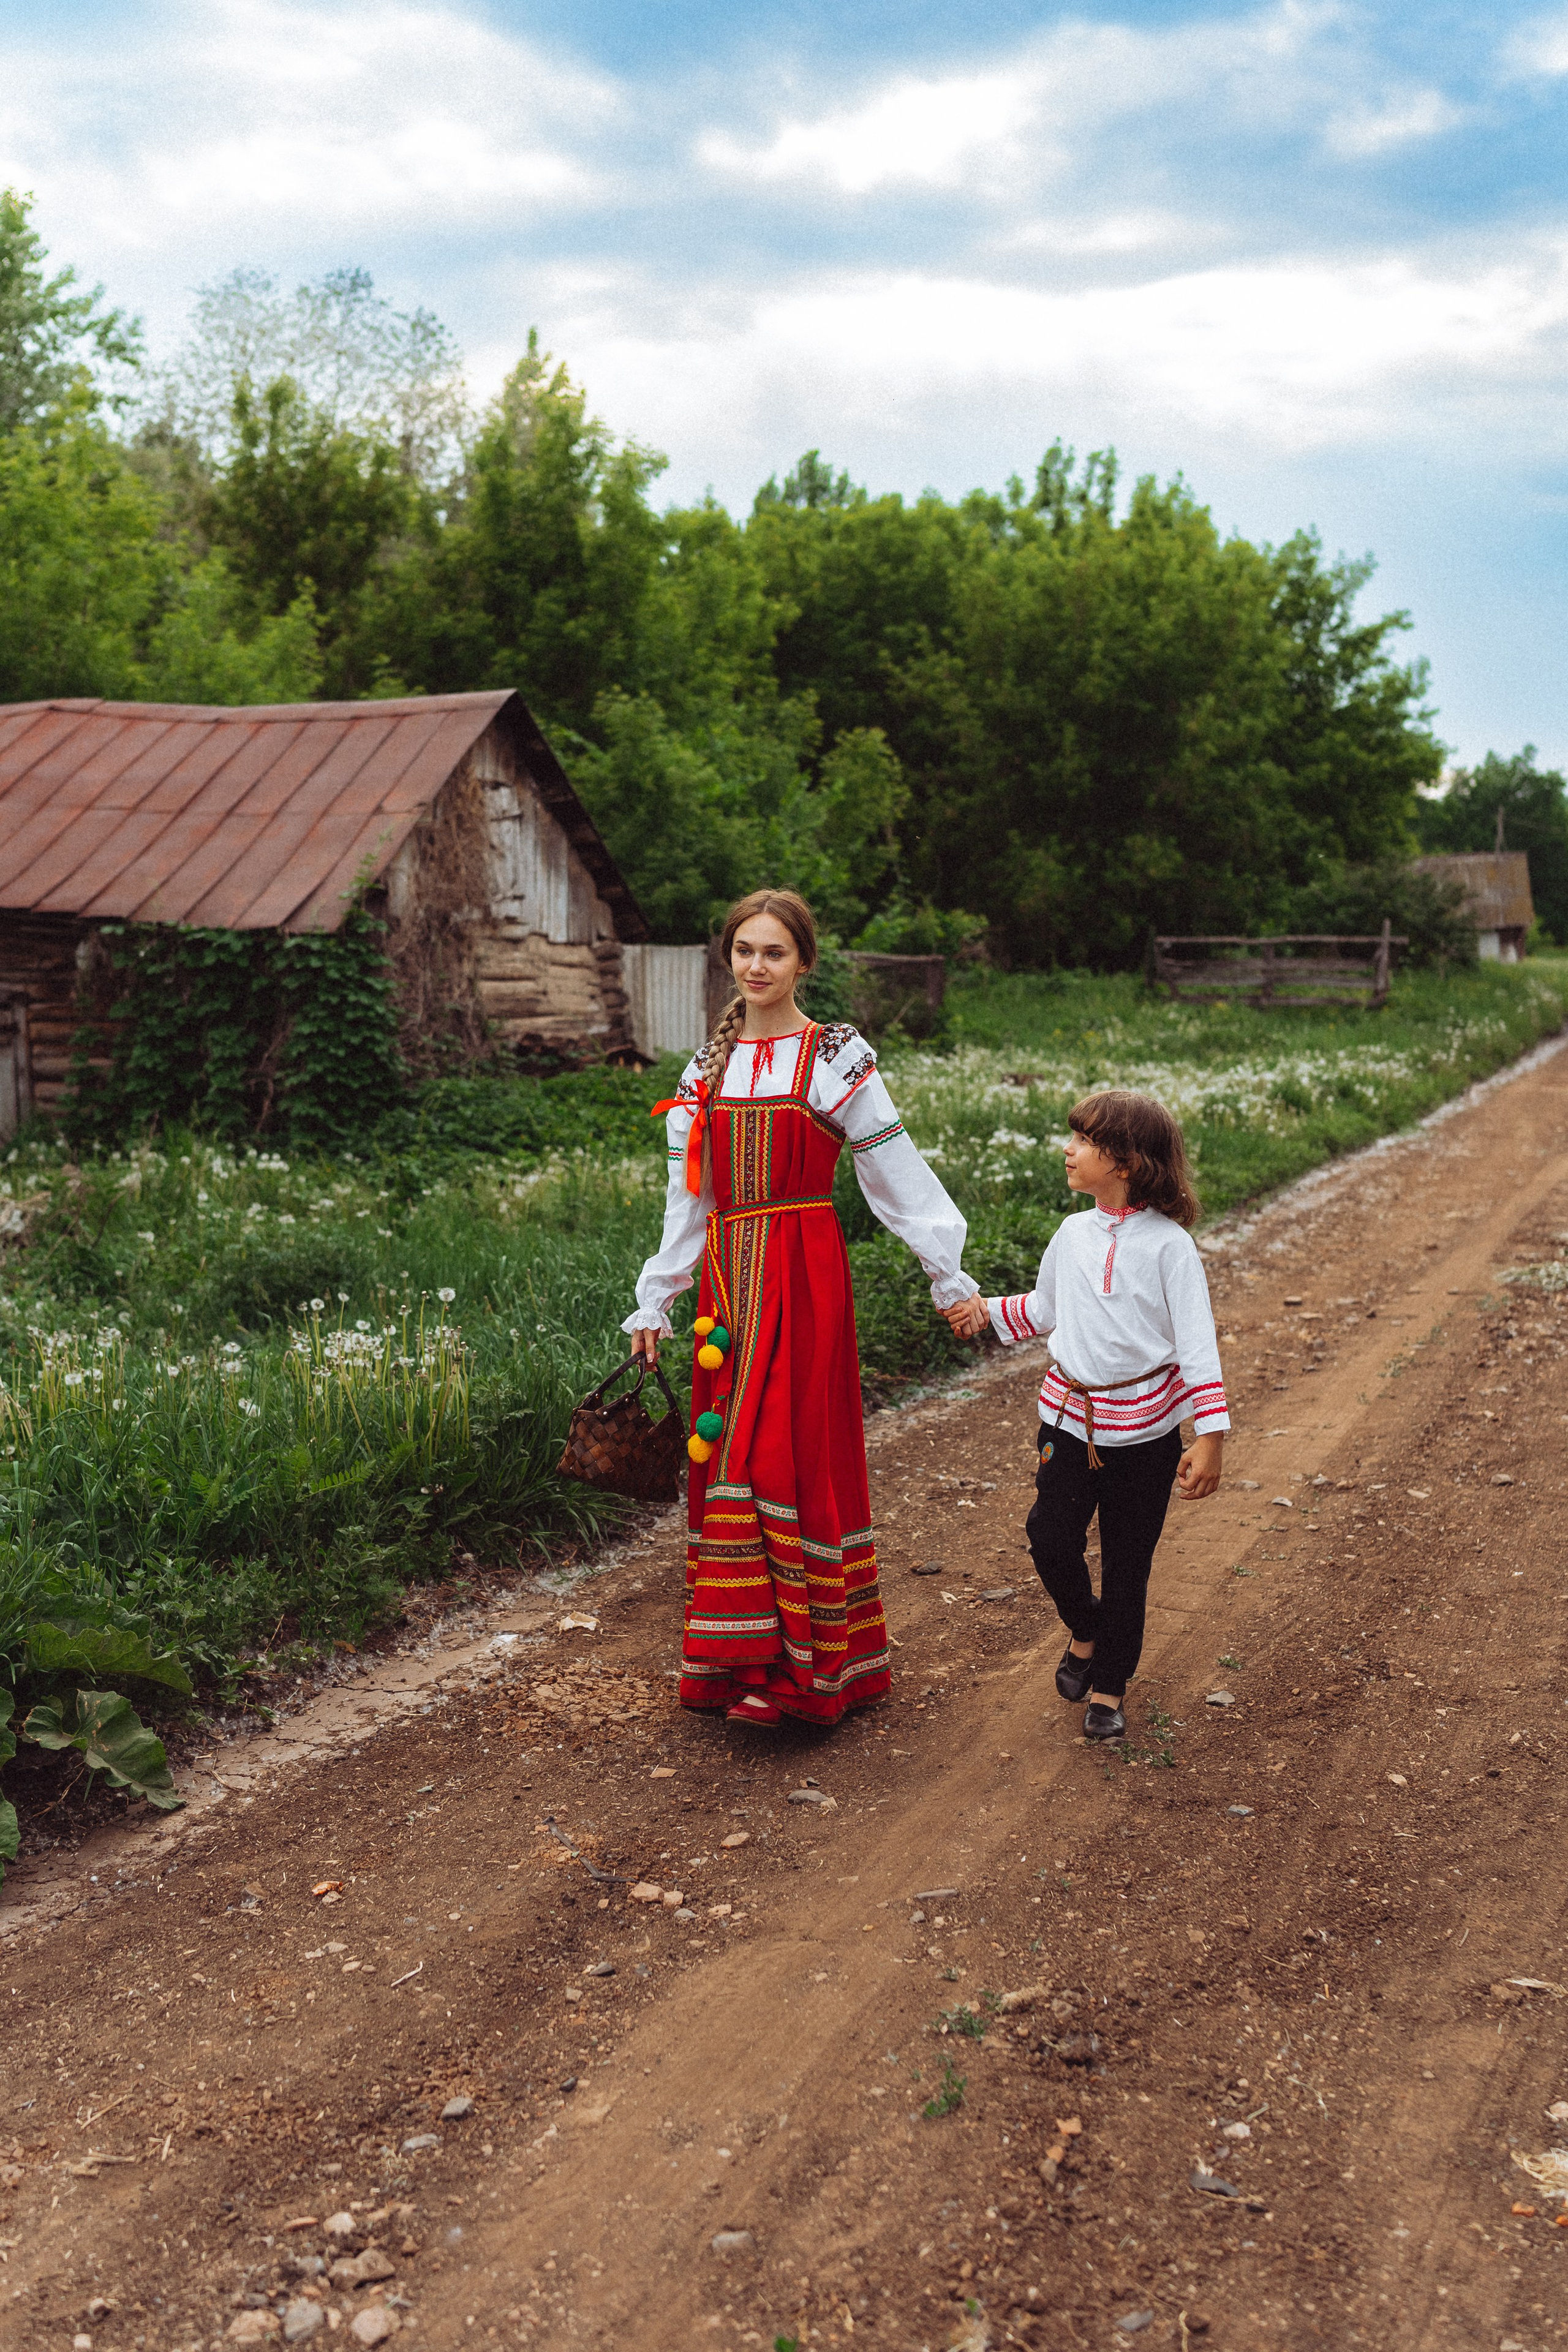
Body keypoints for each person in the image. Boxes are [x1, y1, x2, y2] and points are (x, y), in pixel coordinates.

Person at [625, 888, 979, 1728]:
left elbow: (893, 1172)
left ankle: (809, 1671)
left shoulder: (834, 1056)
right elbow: (690, 1201)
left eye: (774, 952)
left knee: (778, 1452)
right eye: (744, 950)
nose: (756, 966)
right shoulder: (702, 1070)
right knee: (728, 1454)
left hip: (804, 1273)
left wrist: (948, 1273)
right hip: (728, 1286)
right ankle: (739, 1658)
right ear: (729, 958)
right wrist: (655, 1302)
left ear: (804, 962)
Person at [943, 1089, 1227, 1741]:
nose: (1067, 1150)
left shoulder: (1169, 1248)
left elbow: (1197, 1346)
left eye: (1082, 1141)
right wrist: (984, 1311)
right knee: (1050, 1538)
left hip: (1147, 1437)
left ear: (1124, 1162)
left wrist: (1210, 1437)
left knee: (1129, 1565)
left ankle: (1108, 1688)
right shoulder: (1072, 1233)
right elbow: (1045, 1311)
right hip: (1069, 1421)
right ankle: (1085, 1626)